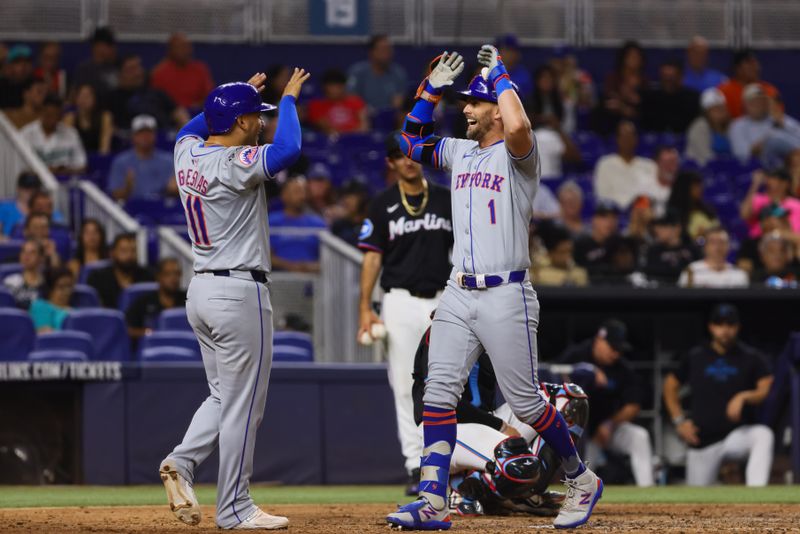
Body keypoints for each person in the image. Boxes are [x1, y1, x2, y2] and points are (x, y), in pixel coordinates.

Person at [386, 47, 602, 531]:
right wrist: (429, 91)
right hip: (459, 291)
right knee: (437, 396)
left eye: (474, 103)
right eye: (464, 103)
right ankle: (433, 500)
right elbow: (409, 142)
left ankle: (580, 479)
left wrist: (501, 78)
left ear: (496, 110)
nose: (465, 109)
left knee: (526, 402)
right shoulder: (460, 150)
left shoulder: (518, 155)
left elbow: (520, 128)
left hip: (507, 292)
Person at [160, 68, 309, 530]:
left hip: (201, 289)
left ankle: (182, 463)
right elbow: (289, 150)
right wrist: (287, 99)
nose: (261, 121)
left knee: (224, 396)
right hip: (239, 292)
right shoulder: (233, 163)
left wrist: (228, 101)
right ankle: (235, 508)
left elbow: (191, 128)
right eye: (254, 116)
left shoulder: (187, 154)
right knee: (245, 406)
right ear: (240, 122)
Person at [412, 324, 593, 517]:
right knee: (518, 464)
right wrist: (501, 426)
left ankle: (525, 494)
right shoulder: (445, 327)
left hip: (487, 424)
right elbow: (444, 403)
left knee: (568, 399)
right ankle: (463, 489)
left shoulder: (496, 329)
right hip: (446, 428)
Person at [357, 133, 453, 495]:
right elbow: (372, 257)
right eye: (399, 155)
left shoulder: (445, 198)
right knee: (404, 384)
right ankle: (416, 465)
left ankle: (450, 462)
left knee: (448, 384)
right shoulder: (382, 204)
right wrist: (365, 307)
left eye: (411, 154)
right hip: (398, 301)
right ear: (391, 163)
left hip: (444, 298)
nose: (407, 160)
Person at [663, 304, 774, 486]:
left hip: (735, 435)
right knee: (695, 502)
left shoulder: (750, 357)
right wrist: (679, 421)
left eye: (730, 325)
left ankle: (757, 496)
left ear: (737, 327)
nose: (725, 330)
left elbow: (765, 388)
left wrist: (744, 396)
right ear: (711, 327)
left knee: (763, 435)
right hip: (702, 439)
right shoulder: (696, 355)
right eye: (720, 325)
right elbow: (670, 385)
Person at [558, 320, 654, 487]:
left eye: (619, 349)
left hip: (605, 430)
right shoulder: (576, 355)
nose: (616, 354)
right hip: (575, 432)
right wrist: (589, 371)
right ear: (599, 340)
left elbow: (634, 404)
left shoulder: (621, 368)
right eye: (612, 347)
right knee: (579, 482)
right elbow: (552, 377)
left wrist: (610, 424)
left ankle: (648, 492)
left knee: (639, 436)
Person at [107, 54, 189, 131]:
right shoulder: (112, 99)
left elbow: (178, 112)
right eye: (131, 69)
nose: (138, 73)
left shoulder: (158, 93)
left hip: (163, 140)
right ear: (119, 74)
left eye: (138, 67)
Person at [529, 65, 582, 179]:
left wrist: (556, 126)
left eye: (549, 78)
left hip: (556, 135)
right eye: (543, 78)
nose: (547, 82)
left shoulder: (560, 104)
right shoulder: (528, 103)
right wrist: (540, 119)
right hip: (534, 137)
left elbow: (575, 156)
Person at [108, 114, 176, 201]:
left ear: (155, 135)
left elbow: (176, 190)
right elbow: (115, 194)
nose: (145, 137)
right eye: (141, 133)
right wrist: (127, 188)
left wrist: (174, 190)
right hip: (130, 209)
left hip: (162, 208)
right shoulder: (121, 162)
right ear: (133, 136)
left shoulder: (169, 160)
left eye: (148, 133)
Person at [268, 175, 327, 273]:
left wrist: (308, 267)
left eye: (304, 191)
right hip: (279, 280)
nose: (302, 196)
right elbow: (264, 256)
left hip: (312, 281)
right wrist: (290, 266)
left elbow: (327, 259)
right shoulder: (271, 221)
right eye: (296, 192)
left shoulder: (318, 224)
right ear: (284, 195)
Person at [730, 85, 800, 167]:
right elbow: (742, 155)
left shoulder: (778, 118)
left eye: (762, 101)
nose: (759, 105)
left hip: (788, 164)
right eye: (754, 102)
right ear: (745, 105)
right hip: (757, 168)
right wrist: (763, 144)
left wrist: (782, 124)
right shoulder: (737, 125)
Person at [593, 121, 656, 210]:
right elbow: (602, 195)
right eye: (623, 137)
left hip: (640, 212)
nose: (627, 140)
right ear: (617, 139)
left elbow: (651, 193)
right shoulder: (605, 164)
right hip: (613, 213)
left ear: (636, 139)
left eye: (630, 137)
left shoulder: (649, 166)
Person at [20, 96, 86, 176]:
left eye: (56, 115)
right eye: (48, 115)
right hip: (34, 183)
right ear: (41, 112)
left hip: (63, 182)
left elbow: (82, 166)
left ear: (61, 116)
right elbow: (20, 168)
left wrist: (61, 171)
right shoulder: (26, 134)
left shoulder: (71, 134)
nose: (52, 120)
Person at [151, 33, 215, 111]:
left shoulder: (200, 69)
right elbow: (155, 102)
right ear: (170, 50)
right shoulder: (159, 73)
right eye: (180, 47)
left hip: (197, 114)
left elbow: (210, 97)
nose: (185, 50)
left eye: (187, 47)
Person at [87, 232, 153, 308]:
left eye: (133, 251)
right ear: (113, 253)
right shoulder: (97, 278)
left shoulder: (147, 277)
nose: (129, 255)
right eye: (124, 251)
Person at [126, 257, 185, 339]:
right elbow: (129, 330)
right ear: (158, 276)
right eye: (168, 274)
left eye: (177, 274)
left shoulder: (189, 300)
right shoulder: (143, 302)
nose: (173, 278)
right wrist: (150, 333)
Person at [346, 34, 408, 111]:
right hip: (362, 117)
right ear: (371, 52)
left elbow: (401, 102)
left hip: (390, 119)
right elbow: (351, 98)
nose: (387, 54)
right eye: (382, 50)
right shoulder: (357, 72)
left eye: (388, 50)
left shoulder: (398, 73)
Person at [596, 41, 645, 134]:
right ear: (623, 58)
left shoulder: (644, 81)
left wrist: (626, 107)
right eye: (631, 56)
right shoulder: (613, 79)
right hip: (613, 121)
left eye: (637, 56)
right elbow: (610, 102)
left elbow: (644, 107)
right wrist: (624, 102)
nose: (634, 59)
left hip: (637, 122)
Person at [642, 209, 700, 285]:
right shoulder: (653, 251)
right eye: (656, 226)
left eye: (662, 226)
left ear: (677, 228)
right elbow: (649, 274)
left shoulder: (693, 250)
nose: (656, 230)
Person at [640, 59, 700, 133]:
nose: (668, 80)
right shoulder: (649, 98)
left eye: (672, 77)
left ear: (680, 77)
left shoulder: (693, 98)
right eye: (665, 77)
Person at [678, 227, 749, 288]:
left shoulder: (738, 274)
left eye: (722, 242)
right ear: (705, 247)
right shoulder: (692, 271)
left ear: (729, 246)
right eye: (713, 242)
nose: (718, 247)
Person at [717, 50, 779, 119]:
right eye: (749, 63)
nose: (755, 67)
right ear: (738, 68)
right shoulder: (724, 91)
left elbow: (777, 116)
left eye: (756, 63)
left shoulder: (769, 90)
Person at [740, 168, 800, 237]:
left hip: (786, 241)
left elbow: (795, 230)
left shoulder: (796, 204)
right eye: (768, 178)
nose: (769, 182)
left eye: (774, 179)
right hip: (759, 240)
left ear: (785, 183)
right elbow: (744, 215)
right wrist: (755, 185)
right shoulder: (758, 199)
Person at [307, 69, 369, 135]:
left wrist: (352, 135)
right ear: (325, 87)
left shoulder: (356, 101)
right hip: (331, 142)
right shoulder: (317, 105)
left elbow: (364, 125)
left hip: (356, 139)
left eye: (338, 86)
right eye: (331, 86)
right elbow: (327, 128)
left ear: (344, 86)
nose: (335, 90)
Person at [574, 201, 621, 284]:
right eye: (604, 217)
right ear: (594, 220)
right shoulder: (581, 245)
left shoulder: (621, 244)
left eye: (613, 217)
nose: (610, 221)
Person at [667, 170, 719, 240]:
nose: (700, 189)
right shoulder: (674, 213)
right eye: (695, 186)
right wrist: (699, 237)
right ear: (684, 189)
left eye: (700, 186)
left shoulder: (707, 209)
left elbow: (718, 229)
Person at [685, 87, 732, 165]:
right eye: (715, 109)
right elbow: (705, 156)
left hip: (724, 168)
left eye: (722, 108)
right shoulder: (699, 126)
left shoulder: (730, 126)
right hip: (700, 168)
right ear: (706, 112)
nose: (720, 112)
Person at [63, 84, 113, 154]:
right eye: (81, 96)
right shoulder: (70, 118)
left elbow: (105, 148)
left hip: (97, 157)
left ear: (94, 99)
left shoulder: (105, 117)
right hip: (75, 159)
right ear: (76, 99)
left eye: (87, 96)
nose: (84, 100)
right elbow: (66, 145)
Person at [71, 27, 118, 100]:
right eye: (109, 45)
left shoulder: (115, 66)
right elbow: (76, 97)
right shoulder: (85, 70)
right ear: (98, 46)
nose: (113, 49)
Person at [28, 267, 74, 333]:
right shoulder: (41, 306)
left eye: (69, 286)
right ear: (50, 289)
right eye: (61, 287)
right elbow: (45, 336)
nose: (67, 291)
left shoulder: (75, 311)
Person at [639, 146, 681, 218]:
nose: (671, 168)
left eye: (673, 163)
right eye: (667, 163)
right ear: (656, 163)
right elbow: (642, 211)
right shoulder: (644, 186)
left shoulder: (683, 188)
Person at [2, 240, 45, 309]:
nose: (26, 255)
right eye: (23, 251)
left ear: (41, 257)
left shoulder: (47, 283)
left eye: (32, 252)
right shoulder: (10, 281)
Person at [0, 172, 41, 237]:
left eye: (34, 189)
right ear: (18, 188)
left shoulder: (45, 208)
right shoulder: (4, 208)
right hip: (12, 245)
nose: (30, 191)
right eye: (26, 188)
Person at [330, 181, 369, 248]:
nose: (347, 200)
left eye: (352, 196)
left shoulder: (371, 226)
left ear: (363, 198)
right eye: (345, 196)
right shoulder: (338, 226)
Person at [495, 34, 533, 99]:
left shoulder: (523, 75)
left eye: (509, 50)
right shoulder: (487, 72)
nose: (505, 54)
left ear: (517, 54)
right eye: (501, 50)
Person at [0, 44, 34, 109]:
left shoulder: (37, 85)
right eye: (18, 62)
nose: (23, 65)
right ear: (9, 65)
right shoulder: (2, 85)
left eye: (27, 61)